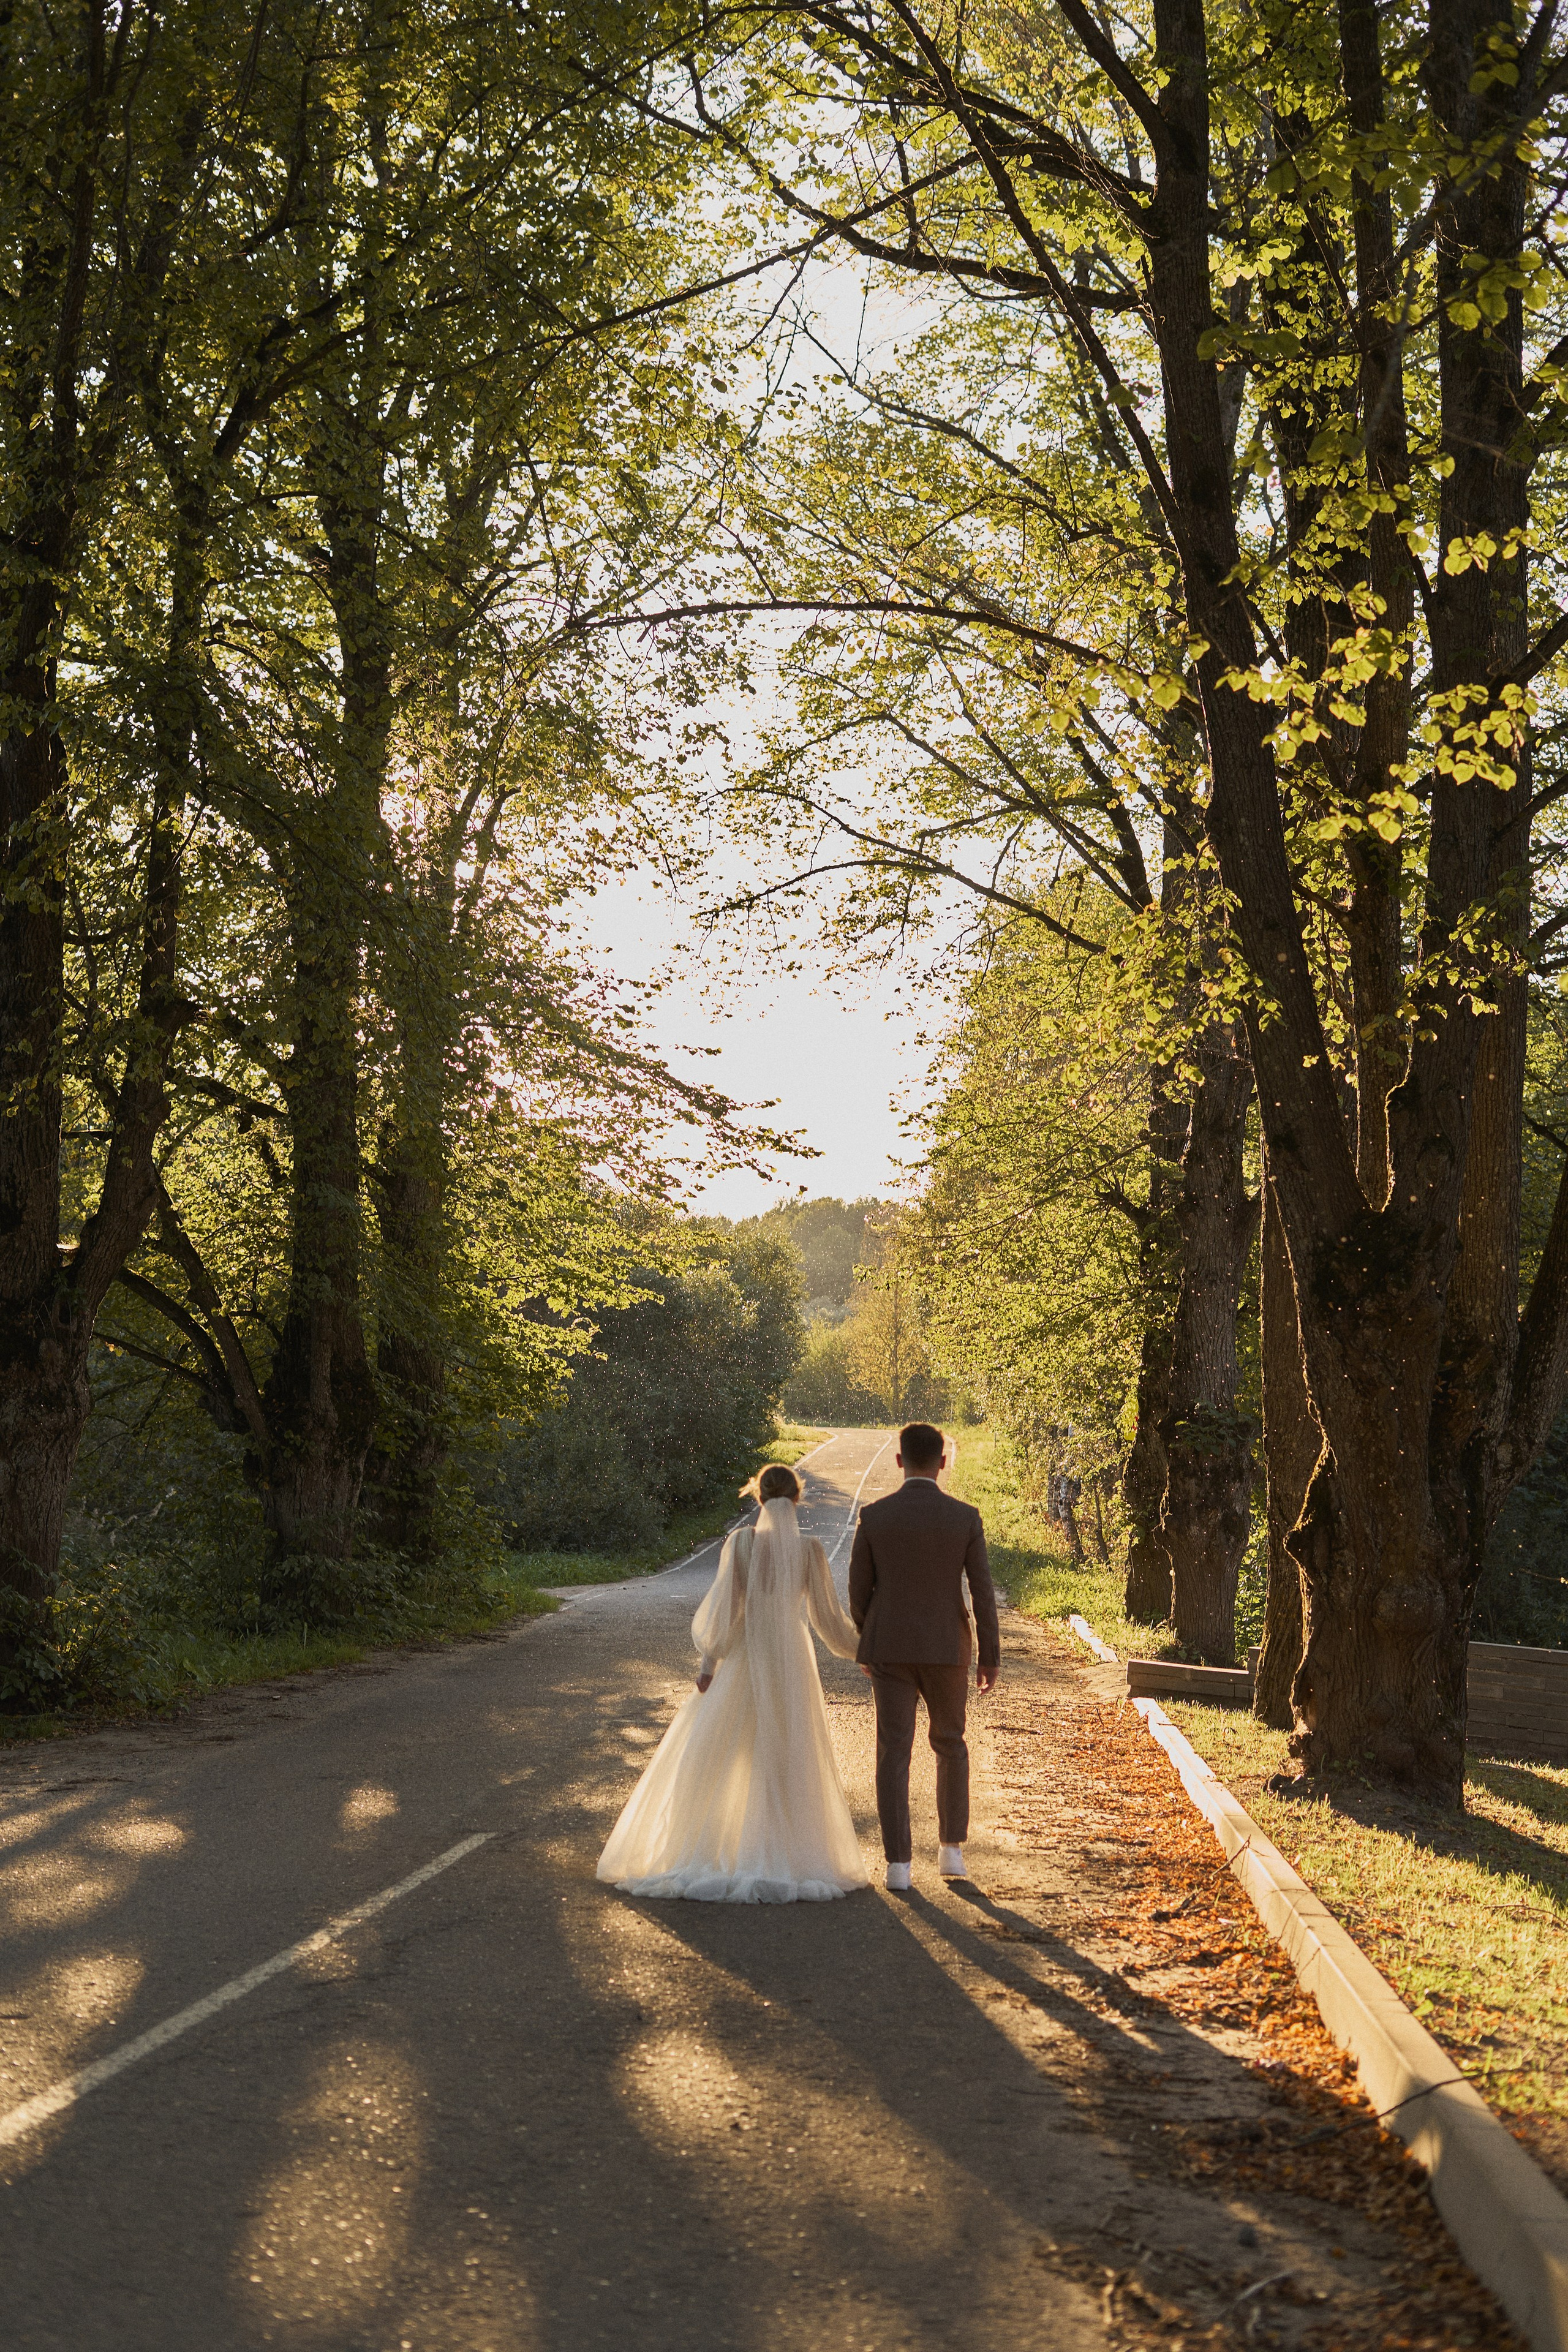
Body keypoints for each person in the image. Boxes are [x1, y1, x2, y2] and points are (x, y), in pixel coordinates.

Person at [597, 1463, 870, 1904]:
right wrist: (863, 1652)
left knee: (725, 1750)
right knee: (786, 1752)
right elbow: (827, 1620)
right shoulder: (811, 1551)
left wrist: (708, 1665)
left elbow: (725, 1609)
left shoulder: (740, 1544)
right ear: (797, 1500)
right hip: (791, 1657)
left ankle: (719, 1847)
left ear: (758, 1498)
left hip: (746, 1652)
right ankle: (785, 1851)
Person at [848, 1421, 1000, 1891]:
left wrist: (869, 1637)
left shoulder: (874, 1517)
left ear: (899, 1461)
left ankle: (898, 1866)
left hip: (889, 1648)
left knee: (894, 1750)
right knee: (950, 1743)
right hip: (947, 1647)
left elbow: (858, 1592)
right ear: (943, 1461)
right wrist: (989, 1656)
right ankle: (951, 1851)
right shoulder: (965, 1518)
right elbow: (982, 1592)